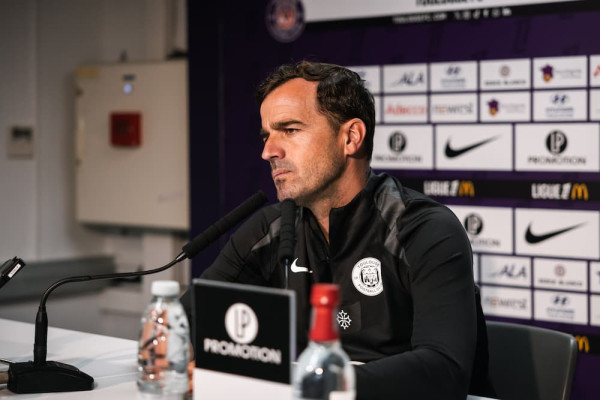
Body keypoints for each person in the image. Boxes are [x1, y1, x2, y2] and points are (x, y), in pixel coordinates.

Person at [182, 60, 494, 399]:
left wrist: (311, 385)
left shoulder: (423, 228)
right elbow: (183, 322)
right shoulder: (271, 229)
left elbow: (444, 371)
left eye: (290, 130)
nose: (268, 151)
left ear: (351, 137)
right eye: (267, 135)